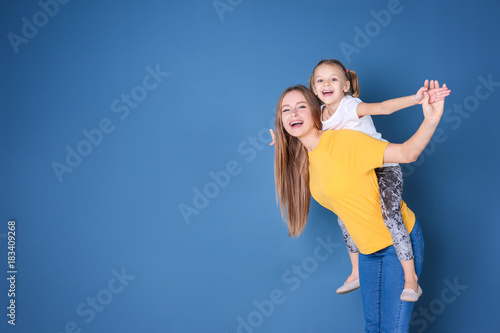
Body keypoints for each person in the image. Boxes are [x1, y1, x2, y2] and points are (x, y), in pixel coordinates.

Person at [273, 83, 449, 332]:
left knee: (391, 330)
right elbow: (290, 151)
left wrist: (432, 119)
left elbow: (407, 153)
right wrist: (278, 140)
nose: (293, 114)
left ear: (316, 111)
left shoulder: (343, 142)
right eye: (286, 110)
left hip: (397, 245)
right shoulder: (306, 158)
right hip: (367, 252)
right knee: (373, 327)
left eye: (301, 106)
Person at [307, 59, 450, 300]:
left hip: (382, 166)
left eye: (333, 79)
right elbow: (303, 134)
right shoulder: (318, 116)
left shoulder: (349, 106)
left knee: (390, 215)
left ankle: (411, 280)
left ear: (346, 85)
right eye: (320, 80)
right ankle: (356, 272)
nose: (326, 84)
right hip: (356, 174)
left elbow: (384, 108)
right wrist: (280, 140)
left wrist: (415, 99)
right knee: (345, 217)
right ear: (313, 87)